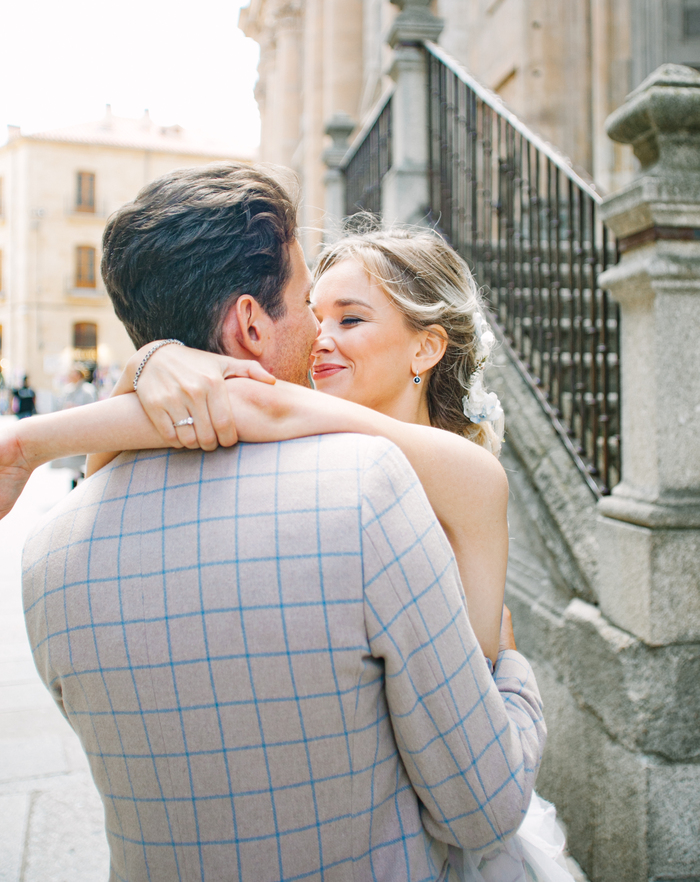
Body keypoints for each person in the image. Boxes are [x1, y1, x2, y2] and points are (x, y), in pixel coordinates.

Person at [17, 163, 547, 882]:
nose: (322, 335)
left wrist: (135, 372)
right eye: (312, 308)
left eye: (349, 318)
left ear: (427, 346)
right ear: (249, 322)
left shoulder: (47, 552)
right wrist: (516, 677)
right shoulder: (362, 489)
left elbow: (253, 406)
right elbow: (477, 803)